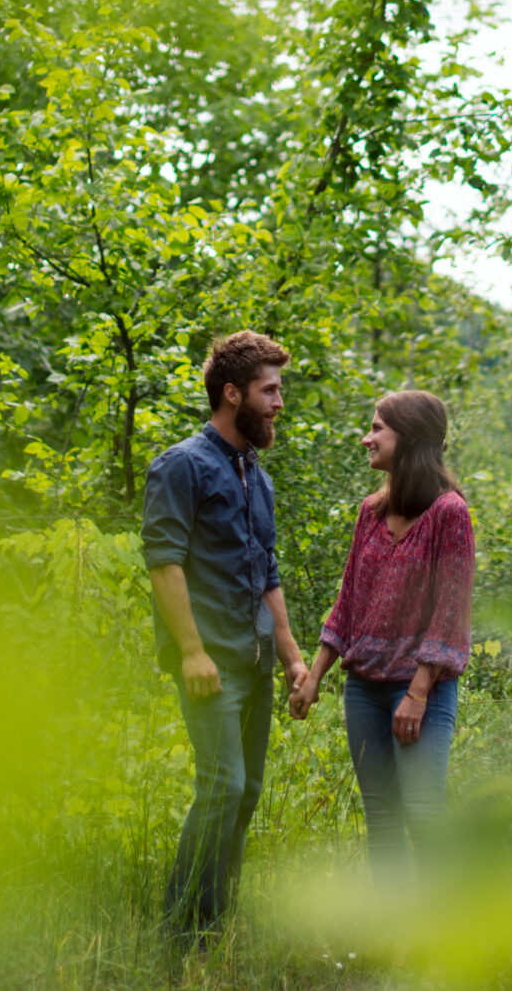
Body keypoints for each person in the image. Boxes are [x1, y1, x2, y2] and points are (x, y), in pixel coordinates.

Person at [142, 329, 311, 943]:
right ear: (233, 393)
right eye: (270, 390)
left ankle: (216, 923)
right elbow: (164, 562)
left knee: (247, 794)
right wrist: (190, 651)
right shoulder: (181, 465)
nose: (278, 402)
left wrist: (293, 660)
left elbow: (266, 572)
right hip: (209, 662)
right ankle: (179, 931)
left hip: (256, 660)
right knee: (223, 787)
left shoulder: (256, 478)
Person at [291, 388, 474, 882]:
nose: (366, 438)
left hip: (421, 690)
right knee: (383, 817)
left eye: (377, 428)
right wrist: (315, 677)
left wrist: (417, 693)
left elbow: (449, 611)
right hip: (365, 690)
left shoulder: (449, 514)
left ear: (409, 438)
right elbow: (348, 600)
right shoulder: (369, 513)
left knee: (423, 811)